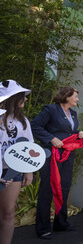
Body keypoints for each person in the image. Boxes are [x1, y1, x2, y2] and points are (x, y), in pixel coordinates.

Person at [31, 87, 83, 239]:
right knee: (47, 189)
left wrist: (78, 134)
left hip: (68, 155)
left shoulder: (73, 114)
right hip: (51, 156)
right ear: (66, 96)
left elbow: (68, 133)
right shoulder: (50, 110)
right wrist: (51, 139)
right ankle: (42, 228)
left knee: (64, 187)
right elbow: (35, 125)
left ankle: (61, 223)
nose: (77, 99)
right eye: (76, 96)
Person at [0, 80, 33, 244]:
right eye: (22, 96)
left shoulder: (23, 121)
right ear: (13, 97)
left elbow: (28, 146)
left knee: (8, 211)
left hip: (13, 171)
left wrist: (28, 170)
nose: (26, 99)